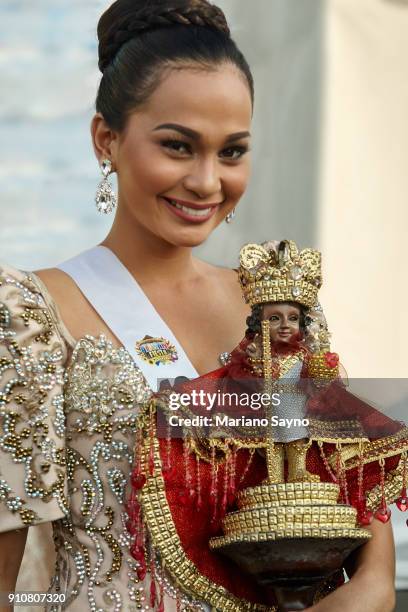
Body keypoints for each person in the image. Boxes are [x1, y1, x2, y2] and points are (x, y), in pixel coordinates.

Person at [0, 1, 395, 611]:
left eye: (232, 151)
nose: (208, 182)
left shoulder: (277, 308)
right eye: (178, 146)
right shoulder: (29, 313)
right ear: (106, 138)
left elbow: (369, 562)